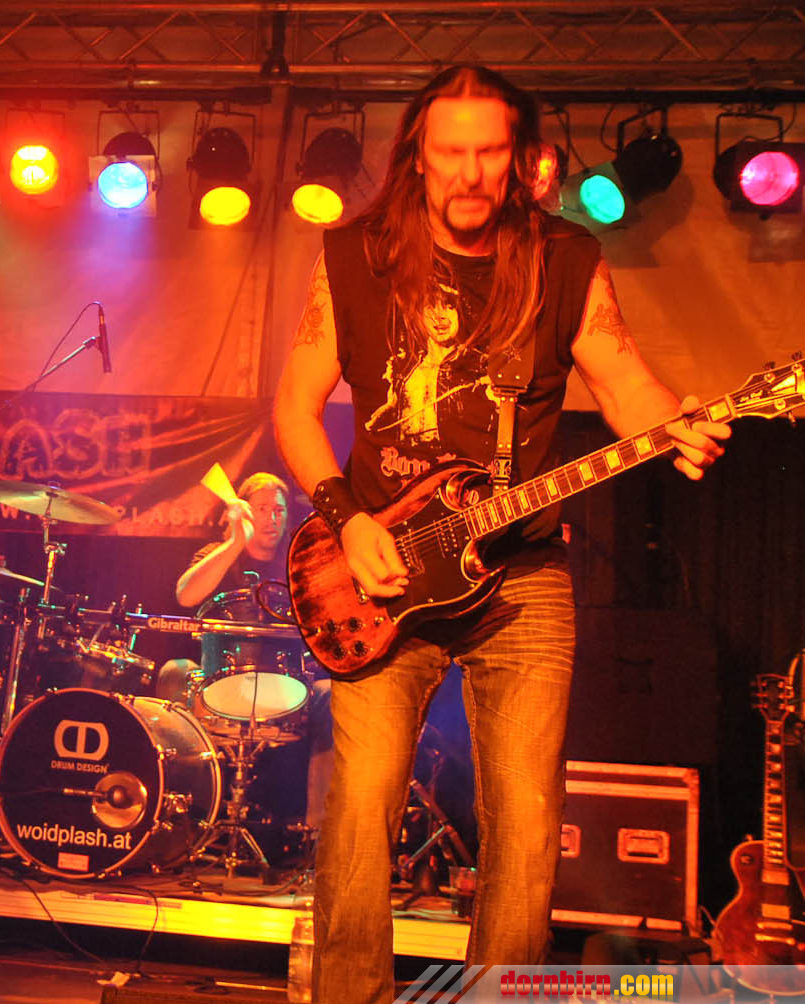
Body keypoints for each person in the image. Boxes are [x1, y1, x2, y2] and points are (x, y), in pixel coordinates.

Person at [272, 65, 729, 1002]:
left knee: (526, 830)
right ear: (418, 156)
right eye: (452, 153)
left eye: (490, 153)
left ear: (521, 157)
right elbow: (293, 406)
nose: (471, 174)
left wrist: (672, 422)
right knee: (358, 816)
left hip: (519, 576)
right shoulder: (355, 255)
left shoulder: (563, 259)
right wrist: (347, 523)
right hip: (381, 570)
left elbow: (623, 380)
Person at [157, 473, 333, 840]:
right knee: (174, 671)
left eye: (278, 510)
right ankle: (173, 821)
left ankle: (318, 836)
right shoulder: (217, 554)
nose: (272, 518)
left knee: (332, 694)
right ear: (244, 512)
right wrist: (235, 542)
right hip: (218, 685)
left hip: (287, 690)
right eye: (262, 509)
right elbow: (186, 595)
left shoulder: (297, 561)